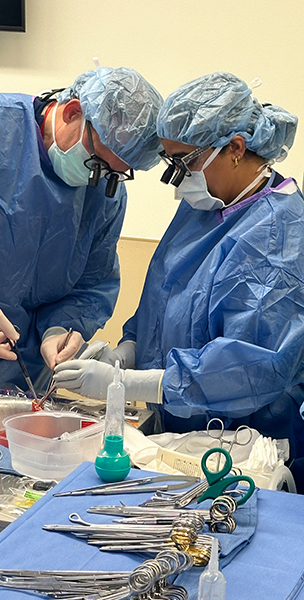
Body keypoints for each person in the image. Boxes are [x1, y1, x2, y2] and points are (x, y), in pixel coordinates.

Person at [54, 71, 304, 491]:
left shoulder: (277, 239)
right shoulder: (206, 205)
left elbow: (256, 367)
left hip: (247, 450)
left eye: (184, 163)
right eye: (170, 163)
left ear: (236, 149)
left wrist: (138, 383)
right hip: (181, 435)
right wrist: (128, 352)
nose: (178, 178)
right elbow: (167, 294)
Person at [0, 65, 163, 412]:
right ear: (72, 112)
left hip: (14, 377)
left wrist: (60, 328)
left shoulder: (104, 191)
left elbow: (91, 283)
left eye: (114, 174)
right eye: (97, 164)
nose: (97, 180)